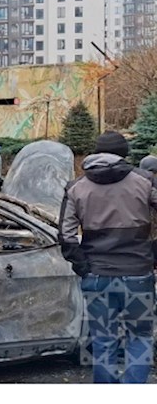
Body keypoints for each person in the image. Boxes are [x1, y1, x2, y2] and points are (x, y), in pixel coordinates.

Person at [58, 130, 157, 383]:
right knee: (140, 336)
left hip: (97, 274)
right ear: (124, 154)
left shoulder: (76, 187)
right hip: (138, 273)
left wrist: (83, 267)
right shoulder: (145, 181)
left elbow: (66, 236)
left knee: (103, 339)